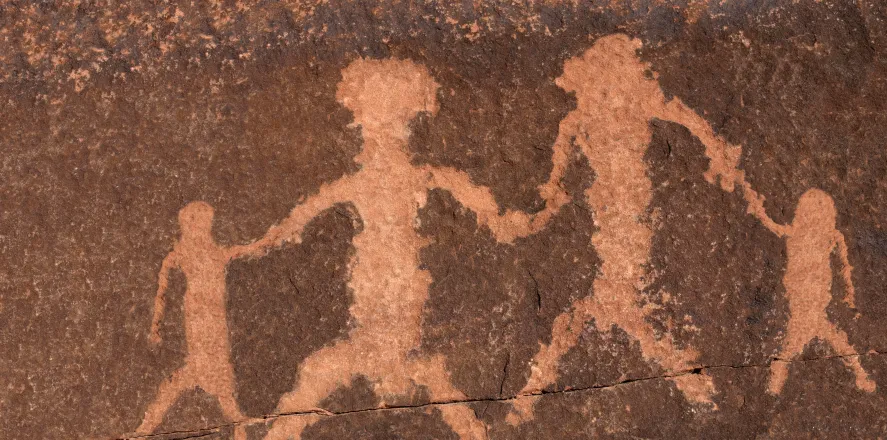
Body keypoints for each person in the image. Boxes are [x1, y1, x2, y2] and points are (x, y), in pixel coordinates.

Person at [261, 57, 566, 440]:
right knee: (395, 370)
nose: (384, 133)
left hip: (391, 296)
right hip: (390, 294)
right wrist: (527, 218)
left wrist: (267, 241)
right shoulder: (408, 178)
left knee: (333, 371)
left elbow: (297, 218)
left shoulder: (389, 180)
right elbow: (496, 217)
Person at [508, 34, 717, 424]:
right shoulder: (605, 110)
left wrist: (719, 160)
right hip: (619, 218)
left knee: (607, 299)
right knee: (614, 298)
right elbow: (694, 124)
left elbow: (555, 182)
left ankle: (531, 390)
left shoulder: (587, 114)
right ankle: (684, 378)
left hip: (621, 218)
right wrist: (720, 162)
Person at [137, 201, 283, 440]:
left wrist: (269, 240)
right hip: (198, 316)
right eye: (201, 223)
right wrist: (156, 325)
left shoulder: (214, 254)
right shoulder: (186, 255)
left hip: (213, 319)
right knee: (202, 373)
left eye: (206, 223)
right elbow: (162, 287)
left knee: (209, 375)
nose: (205, 227)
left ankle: (146, 429)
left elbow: (247, 250)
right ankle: (146, 429)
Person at [740, 185, 877, 395]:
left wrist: (753, 202)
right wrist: (752, 199)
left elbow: (845, 268)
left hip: (813, 300)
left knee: (810, 342)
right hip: (806, 301)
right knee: (822, 341)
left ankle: (777, 382)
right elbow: (845, 269)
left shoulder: (824, 236)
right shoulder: (818, 235)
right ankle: (859, 374)